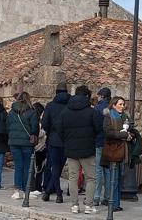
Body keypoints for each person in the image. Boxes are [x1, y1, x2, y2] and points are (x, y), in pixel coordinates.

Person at [59, 85, 101, 214]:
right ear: (87, 96)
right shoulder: (91, 112)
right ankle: (88, 205)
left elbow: (59, 130)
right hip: (87, 149)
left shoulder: (65, 112)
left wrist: (67, 141)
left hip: (71, 149)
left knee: (72, 177)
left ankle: (74, 205)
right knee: (91, 178)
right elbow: (99, 129)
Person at [41, 82, 70, 203]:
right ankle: (51, 192)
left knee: (55, 167)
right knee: (59, 167)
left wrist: (50, 132)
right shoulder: (70, 105)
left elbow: (45, 123)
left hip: (53, 140)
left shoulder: (50, 105)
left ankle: (55, 193)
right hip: (67, 140)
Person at [7, 91, 39, 199]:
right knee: (26, 167)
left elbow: (8, 127)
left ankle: (17, 190)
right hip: (26, 143)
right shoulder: (32, 112)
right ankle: (26, 190)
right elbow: (35, 128)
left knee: (18, 166)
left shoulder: (11, 112)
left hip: (14, 142)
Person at [102, 96, 131, 213]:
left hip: (123, 150)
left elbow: (132, 130)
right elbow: (108, 133)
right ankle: (112, 204)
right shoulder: (108, 116)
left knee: (120, 178)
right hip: (112, 150)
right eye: (120, 104)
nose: (122, 106)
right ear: (114, 105)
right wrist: (123, 135)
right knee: (113, 178)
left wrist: (130, 135)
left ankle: (116, 203)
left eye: (123, 104)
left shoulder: (126, 117)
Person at [93, 87, 112, 207]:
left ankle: (96, 197)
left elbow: (94, 126)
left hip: (99, 141)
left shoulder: (97, 108)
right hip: (110, 142)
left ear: (101, 96)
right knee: (108, 170)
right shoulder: (112, 109)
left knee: (98, 170)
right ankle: (108, 196)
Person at [31, 102, 48, 196]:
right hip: (39, 148)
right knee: (38, 169)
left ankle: (36, 186)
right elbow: (38, 133)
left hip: (39, 148)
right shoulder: (37, 121)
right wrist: (44, 131)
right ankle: (36, 186)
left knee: (37, 169)